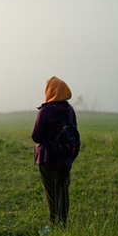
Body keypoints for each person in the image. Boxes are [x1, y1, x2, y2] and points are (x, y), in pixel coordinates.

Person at [31, 76, 78, 227]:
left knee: (52, 193)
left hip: (48, 158)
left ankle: (56, 227)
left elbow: (36, 137)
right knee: (63, 191)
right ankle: (63, 223)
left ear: (50, 92)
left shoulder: (45, 112)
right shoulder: (69, 110)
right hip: (66, 157)